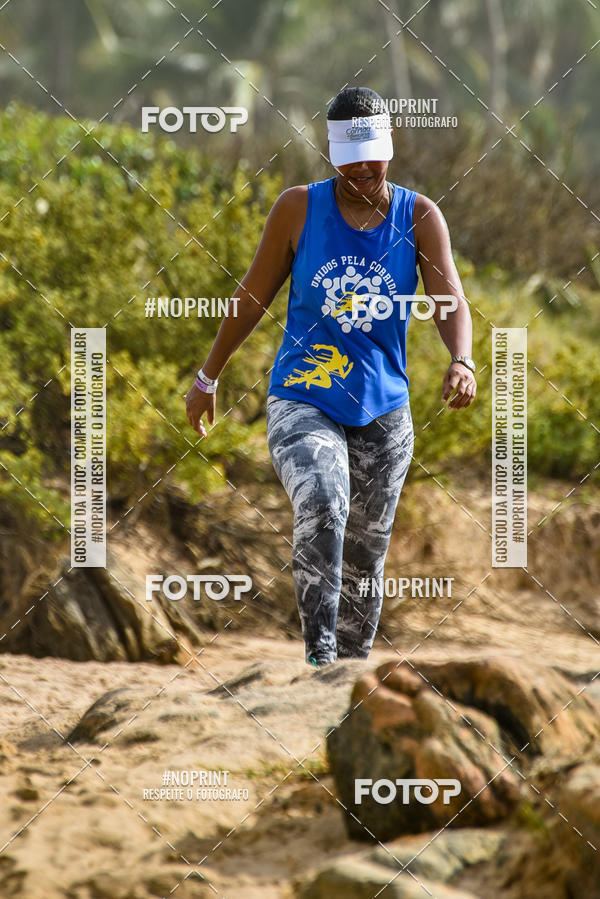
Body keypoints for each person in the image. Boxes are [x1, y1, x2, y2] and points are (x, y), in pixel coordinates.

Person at [185, 86, 476, 667]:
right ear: (333, 154)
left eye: (376, 155)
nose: (367, 169)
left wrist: (462, 360)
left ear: (391, 147)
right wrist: (207, 376)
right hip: (303, 395)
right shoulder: (299, 208)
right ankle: (319, 658)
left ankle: (350, 677)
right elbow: (251, 296)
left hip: (384, 407)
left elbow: (451, 300)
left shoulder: (418, 216)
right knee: (322, 501)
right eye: (354, 158)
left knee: (367, 554)